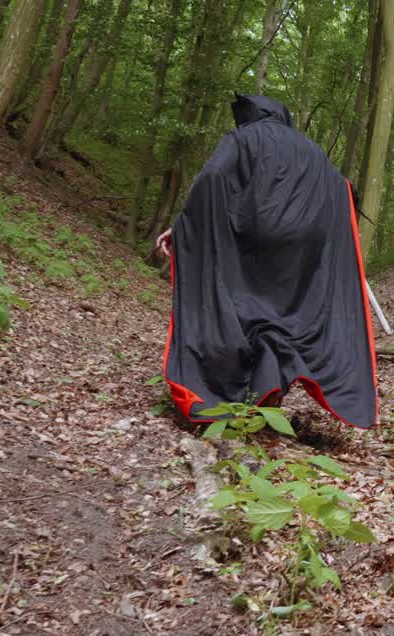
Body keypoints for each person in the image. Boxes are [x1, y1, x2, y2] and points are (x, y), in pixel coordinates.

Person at [157, 94, 379, 428]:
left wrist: (184, 226)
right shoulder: (312, 150)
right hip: (302, 245)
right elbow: (343, 187)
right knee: (285, 313)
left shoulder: (242, 138)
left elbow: (212, 177)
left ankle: (239, 390)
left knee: (246, 306)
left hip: (254, 238)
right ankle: (268, 392)